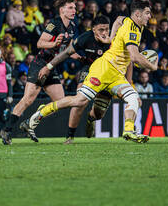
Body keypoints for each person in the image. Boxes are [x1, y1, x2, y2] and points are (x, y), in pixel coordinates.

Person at [22, 0, 158, 144]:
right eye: (147, 13)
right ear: (137, 14)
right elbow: (134, 56)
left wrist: (111, 39)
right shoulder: (132, 30)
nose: (150, 16)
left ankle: (129, 131)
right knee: (79, 100)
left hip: (117, 75)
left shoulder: (133, 23)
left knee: (134, 99)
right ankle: (37, 116)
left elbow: (119, 19)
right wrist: (153, 66)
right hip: (103, 69)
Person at [31, 15, 125, 144]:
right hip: (90, 71)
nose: (104, 33)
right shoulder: (85, 38)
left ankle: (91, 119)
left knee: (98, 114)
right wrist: (48, 66)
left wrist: (128, 81)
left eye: (106, 29)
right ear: (93, 29)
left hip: (109, 75)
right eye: (101, 30)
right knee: (79, 100)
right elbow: (66, 53)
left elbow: (128, 60)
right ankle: (70, 137)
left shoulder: (115, 39)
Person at [0, 0, 77, 145]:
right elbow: (40, 43)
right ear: (62, 10)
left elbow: (69, 50)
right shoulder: (55, 23)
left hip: (51, 67)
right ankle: (6, 130)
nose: (74, 10)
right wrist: (54, 43)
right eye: (70, 8)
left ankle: (30, 122)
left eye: (74, 8)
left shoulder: (72, 27)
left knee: (59, 102)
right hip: (39, 64)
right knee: (27, 99)